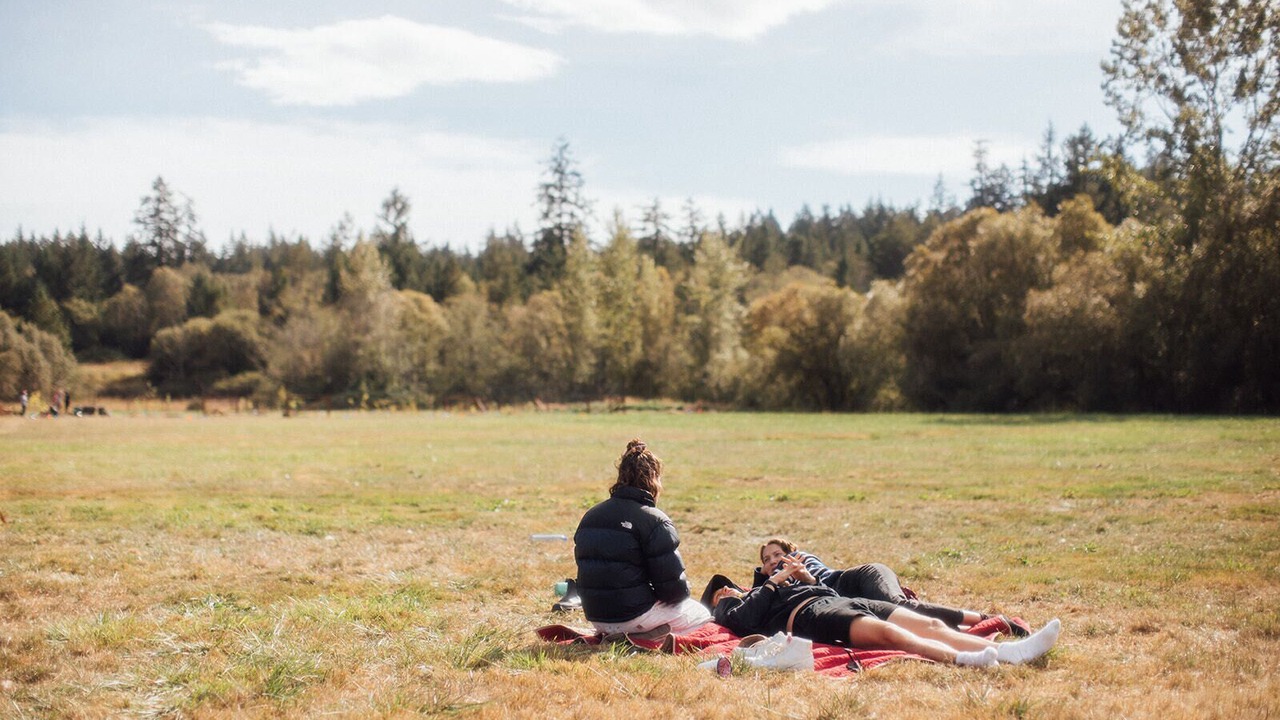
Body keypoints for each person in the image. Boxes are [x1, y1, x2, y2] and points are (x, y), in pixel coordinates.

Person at [710, 555, 1061, 667]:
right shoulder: (735, 605)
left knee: (932, 623)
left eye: (727, 585)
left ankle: (1010, 652)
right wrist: (772, 584)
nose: (726, 588)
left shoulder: (764, 588)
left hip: (837, 599)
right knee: (892, 636)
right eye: (719, 590)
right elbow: (743, 623)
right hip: (810, 615)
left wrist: (802, 576)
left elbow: (830, 589)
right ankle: (969, 659)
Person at [754, 537, 1028, 636]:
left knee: (901, 606)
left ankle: (991, 620)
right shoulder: (779, 584)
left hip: (861, 578)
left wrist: (805, 578)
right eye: (767, 560)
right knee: (906, 622)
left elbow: (826, 592)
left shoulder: (803, 561)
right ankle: (971, 628)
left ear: (791, 551)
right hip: (857, 605)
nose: (774, 561)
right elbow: (756, 599)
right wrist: (767, 578)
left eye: (778, 554)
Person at [574, 439, 711, 636]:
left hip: (596, 618)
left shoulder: (591, 515)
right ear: (653, 478)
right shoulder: (655, 520)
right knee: (702, 614)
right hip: (633, 617)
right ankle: (646, 637)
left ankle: (635, 633)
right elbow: (674, 592)